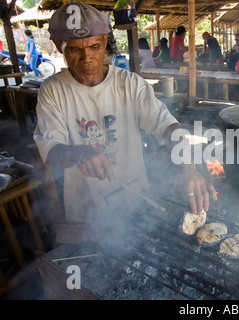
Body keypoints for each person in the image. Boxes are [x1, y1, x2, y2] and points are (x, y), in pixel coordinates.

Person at [33, 2, 217, 242]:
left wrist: (189, 169)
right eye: (75, 50)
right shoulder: (52, 90)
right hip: (86, 213)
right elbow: (50, 150)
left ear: (105, 40)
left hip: (136, 203)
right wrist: (80, 152)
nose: (87, 58)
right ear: (59, 46)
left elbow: (168, 127)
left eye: (95, 47)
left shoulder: (130, 84)